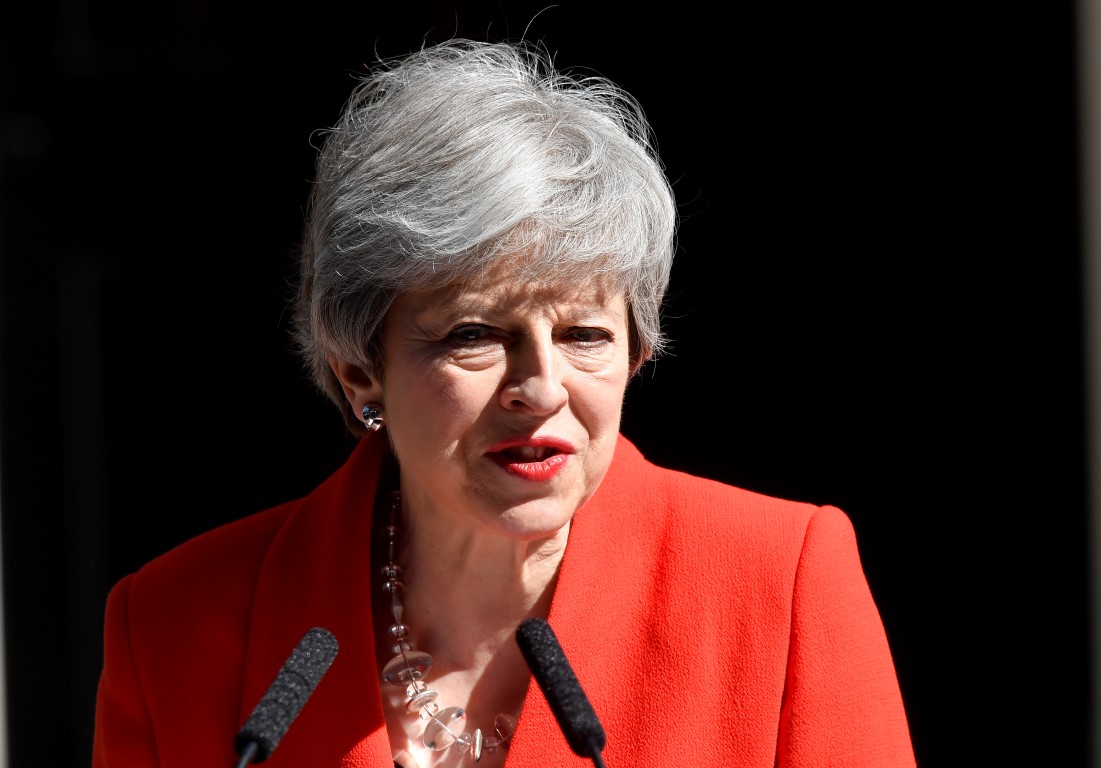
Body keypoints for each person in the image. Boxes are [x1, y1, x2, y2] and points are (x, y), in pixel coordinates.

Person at [91, 38, 916, 768]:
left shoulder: (780, 585)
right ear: (358, 372)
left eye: (584, 334)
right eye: (475, 334)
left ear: (637, 352)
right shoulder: (174, 622)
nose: (543, 389)